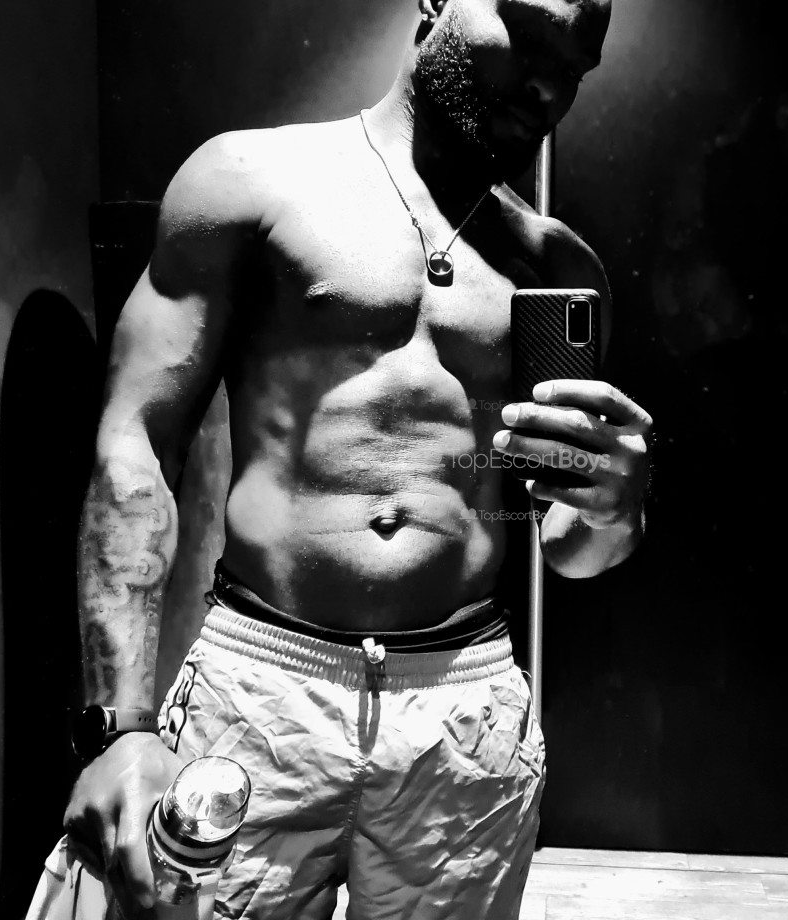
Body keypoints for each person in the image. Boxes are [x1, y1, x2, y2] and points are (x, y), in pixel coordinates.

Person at [60, 0, 651, 917]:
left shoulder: (554, 269)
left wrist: (616, 509)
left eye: (575, 69)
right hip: (262, 689)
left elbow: (570, 548)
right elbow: (135, 443)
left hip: (461, 713)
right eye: (530, 39)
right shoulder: (248, 183)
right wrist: (120, 728)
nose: (547, 88)